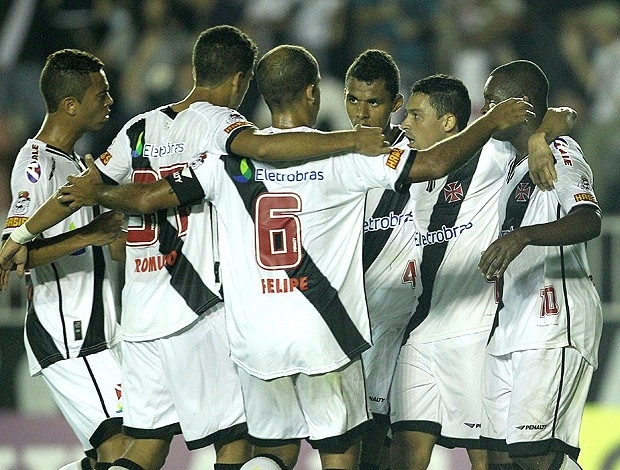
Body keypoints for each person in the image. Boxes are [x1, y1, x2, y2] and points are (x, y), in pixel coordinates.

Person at [41, 44, 534, 470]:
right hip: (323, 333)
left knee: (269, 451)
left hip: (255, 339)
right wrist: (492, 119)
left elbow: (147, 199)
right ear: (314, 94)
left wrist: (96, 194)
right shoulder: (345, 153)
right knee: (339, 451)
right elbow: (433, 163)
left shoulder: (225, 161)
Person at [1, 26, 393, 470]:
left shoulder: (138, 128)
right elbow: (268, 148)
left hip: (139, 315)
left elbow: (80, 190)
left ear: (193, 69)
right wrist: (351, 139)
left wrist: (18, 236)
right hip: (195, 310)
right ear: (240, 81)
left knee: (145, 448)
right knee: (237, 443)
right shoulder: (222, 124)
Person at [344, 52, 575, 470]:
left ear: (449, 122)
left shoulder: (492, 154)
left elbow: (558, 114)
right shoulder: (407, 159)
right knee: (403, 452)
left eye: (416, 115)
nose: (406, 124)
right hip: (421, 329)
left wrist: (540, 138)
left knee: (487, 459)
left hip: (473, 332)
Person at [1, 49, 131, 470]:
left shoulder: (77, 165)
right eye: (102, 93)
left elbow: (109, 248)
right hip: (67, 331)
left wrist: (113, 223)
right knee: (125, 450)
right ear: (70, 105)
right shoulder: (35, 164)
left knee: (118, 453)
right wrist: (92, 232)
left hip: (96, 328)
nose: (109, 101)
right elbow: (15, 253)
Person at [477, 60, 602, 470]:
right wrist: (540, 132)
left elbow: (588, 220)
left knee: (536, 458)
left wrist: (523, 235)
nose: (486, 109)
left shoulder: (558, 152)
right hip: (512, 322)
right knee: (496, 457)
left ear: (521, 104)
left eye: (493, 100)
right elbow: (562, 113)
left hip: (555, 320)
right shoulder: (511, 157)